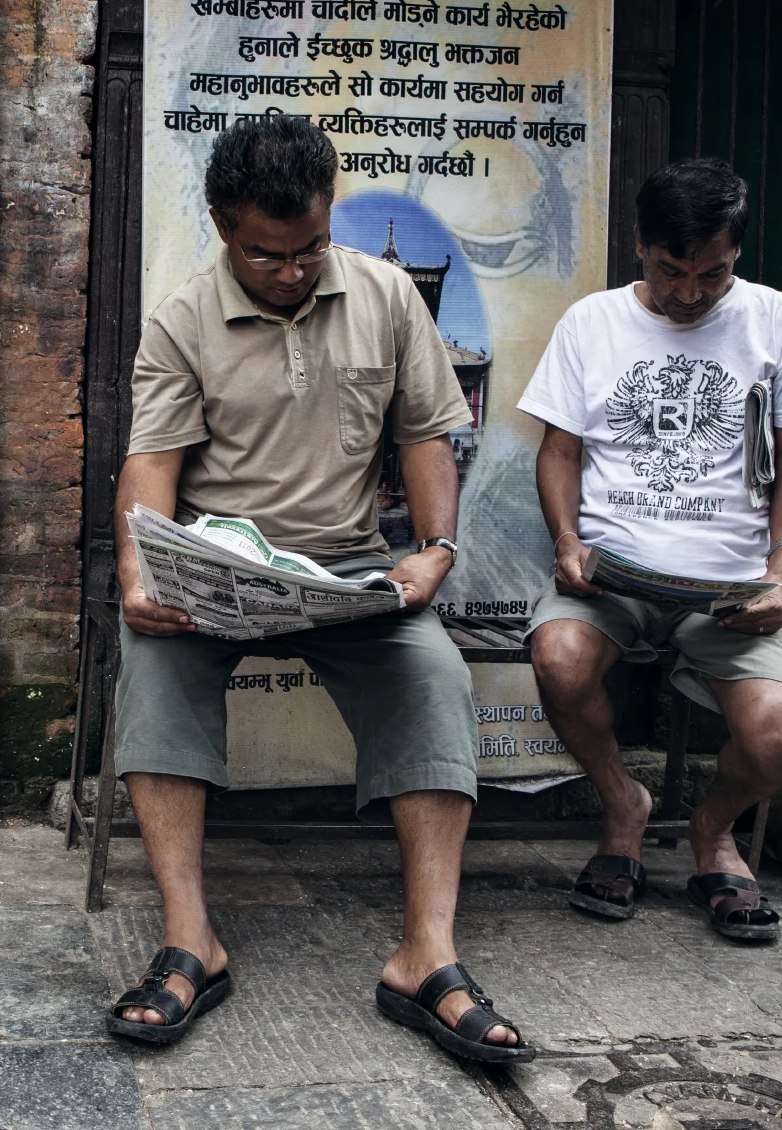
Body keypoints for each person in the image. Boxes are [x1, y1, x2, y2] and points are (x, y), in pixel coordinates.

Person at [106, 115, 532, 1065]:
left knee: (432, 675)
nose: (293, 271)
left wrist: (436, 549)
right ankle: (191, 942)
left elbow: (425, 435)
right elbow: (152, 464)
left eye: (310, 248)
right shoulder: (183, 320)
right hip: (219, 566)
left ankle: (426, 954)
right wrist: (141, 576)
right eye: (268, 254)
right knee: (155, 664)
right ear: (223, 225)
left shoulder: (386, 295)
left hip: (347, 569)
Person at [518, 158, 782, 942]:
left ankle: (713, 828)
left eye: (713, 274)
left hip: (732, 584)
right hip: (614, 574)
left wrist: (780, 574)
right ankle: (623, 806)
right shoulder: (591, 323)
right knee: (558, 659)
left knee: (779, 731)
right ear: (640, 243)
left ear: (738, 254)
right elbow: (559, 453)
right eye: (672, 270)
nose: (691, 293)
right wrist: (567, 540)